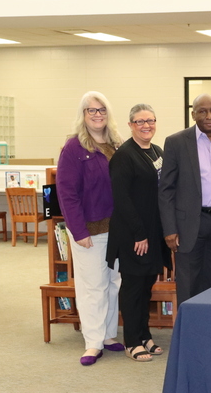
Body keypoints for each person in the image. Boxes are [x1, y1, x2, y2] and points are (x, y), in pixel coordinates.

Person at [55, 91, 125, 366]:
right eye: (91, 110)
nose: (97, 115)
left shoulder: (116, 144)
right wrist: (78, 231)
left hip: (117, 228)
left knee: (112, 283)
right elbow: (67, 193)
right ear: (83, 115)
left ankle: (108, 335)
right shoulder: (74, 147)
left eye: (101, 110)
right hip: (89, 230)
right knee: (92, 286)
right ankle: (93, 343)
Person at [158, 94, 211, 304]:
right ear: (193, 114)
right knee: (188, 283)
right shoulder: (176, 142)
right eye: (202, 111)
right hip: (189, 224)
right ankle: (189, 334)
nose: (209, 116)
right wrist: (169, 229)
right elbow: (166, 189)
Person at [107, 104, 170, 361]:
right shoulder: (124, 155)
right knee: (133, 286)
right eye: (140, 121)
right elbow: (121, 199)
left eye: (151, 120)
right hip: (134, 235)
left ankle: (145, 335)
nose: (146, 125)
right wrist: (138, 234)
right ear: (131, 125)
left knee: (147, 286)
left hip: (154, 233)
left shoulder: (157, 151)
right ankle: (131, 340)